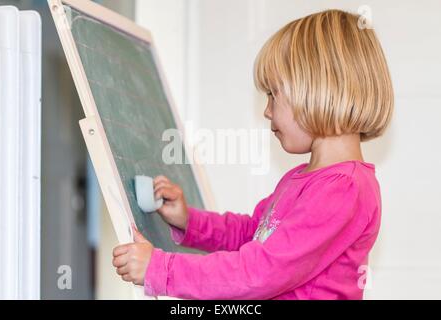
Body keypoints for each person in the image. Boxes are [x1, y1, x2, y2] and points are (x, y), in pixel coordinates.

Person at [112, 8, 393, 299]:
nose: (267, 110)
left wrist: (161, 269)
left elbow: (258, 272)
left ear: (319, 89)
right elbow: (252, 236)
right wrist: (190, 221)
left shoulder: (342, 189)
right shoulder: (303, 178)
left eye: (273, 94)